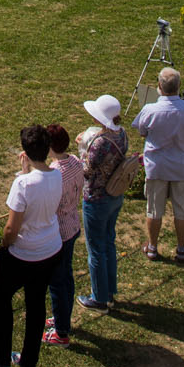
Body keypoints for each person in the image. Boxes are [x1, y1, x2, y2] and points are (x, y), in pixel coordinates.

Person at [0, 125, 63, 367]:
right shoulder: (56, 174)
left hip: (23, 252)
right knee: (36, 304)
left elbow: (12, 226)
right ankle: (29, 362)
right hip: (49, 248)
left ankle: (1, 359)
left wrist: (4, 244)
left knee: (0, 297)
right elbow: (41, 188)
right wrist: (26, 172)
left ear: (25, 151)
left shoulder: (22, 184)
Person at [132, 66, 184, 259]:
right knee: (182, 209)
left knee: (154, 209)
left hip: (157, 167)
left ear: (159, 86)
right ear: (179, 86)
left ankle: (153, 247)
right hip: (182, 166)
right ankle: (181, 248)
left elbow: (141, 131)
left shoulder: (150, 110)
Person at [74, 95, 128, 311]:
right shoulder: (121, 134)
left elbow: (86, 170)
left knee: (95, 249)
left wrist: (81, 150)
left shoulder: (100, 143)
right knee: (108, 242)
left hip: (97, 198)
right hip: (115, 195)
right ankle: (109, 291)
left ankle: (99, 298)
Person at [39, 124, 86, 348]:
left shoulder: (56, 171)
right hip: (73, 225)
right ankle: (63, 317)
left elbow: (47, 200)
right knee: (66, 276)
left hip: (58, 231)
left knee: (57, 282)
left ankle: (61, 333)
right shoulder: (75, 162)